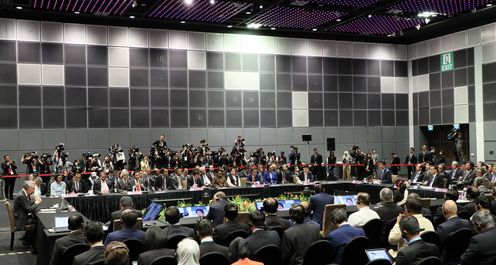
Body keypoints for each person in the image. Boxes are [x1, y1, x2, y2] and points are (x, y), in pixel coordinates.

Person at [14, 180, 41, 249]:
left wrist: (34, 201)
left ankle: (27, 238)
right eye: (33, 189)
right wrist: (37, 203)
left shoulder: (24, 193)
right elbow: (29, 209)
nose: (33, 191)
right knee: (37, 221)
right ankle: (32, 242)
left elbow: (27, 206)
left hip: (22, 216)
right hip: (21, 219)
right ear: (27, 188)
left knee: (36, 219)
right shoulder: (21, 196)